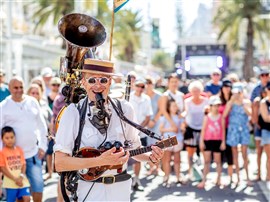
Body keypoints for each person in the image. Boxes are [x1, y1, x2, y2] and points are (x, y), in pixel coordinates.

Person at [54, 58, 164, 201]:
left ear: (110, 82)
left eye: (103, 80)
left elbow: (135, 149)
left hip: (121, 190)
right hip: (89, 191)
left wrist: (151, 156)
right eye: (92, 80)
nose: (97, 85)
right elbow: (60, 163)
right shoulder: (73, 113)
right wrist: (99, 161)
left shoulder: (125, 109)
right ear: (83, 82)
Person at [0, 76, 48, 202]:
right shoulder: (3, 106)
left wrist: (43, 146)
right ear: (9, 88)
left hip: (33, 155)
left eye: (21, 87)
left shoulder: (32, 102)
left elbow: (42, 126)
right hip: (13, 159)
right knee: (19, 194)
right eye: (15, 87)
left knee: (38, 188)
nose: (19, 90)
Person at [223, 82, 252, 186]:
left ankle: (247, 177)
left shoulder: (246, 102)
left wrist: (242, 103)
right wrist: (231, 101)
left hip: (243, 129)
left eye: (239, 92)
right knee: (234, 154)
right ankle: (238, 178)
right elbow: (224, 115)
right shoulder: (230, 103)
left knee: (244, 154)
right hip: (233, 130)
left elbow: (250, 114)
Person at [129, 79, 153, 191]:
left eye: (142, 86)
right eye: (138, 86)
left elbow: (148, 116)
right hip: (128, 133)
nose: (140, 88)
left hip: (141, 133)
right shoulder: (128, 97)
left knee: (139, 158)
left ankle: (136, 180)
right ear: (134, 86)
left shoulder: (147, 99)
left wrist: (139, 129)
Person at [182, 80, 209, 180]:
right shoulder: (187, 102)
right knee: (190, 152)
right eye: (193, 90)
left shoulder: (206, 101)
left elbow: (208, 113)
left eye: (197, 90)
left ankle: (203, 172)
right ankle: (190, 171)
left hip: (203, 129)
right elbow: (185, 112)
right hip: (191, 128)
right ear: (190, 91)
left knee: (203, 151)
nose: (195, 92)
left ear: (201, 91)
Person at [197, 96, 225, 189]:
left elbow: (223, 130)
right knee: (206, 161)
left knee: (218, 161)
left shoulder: (221, 117)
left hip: (217, 141)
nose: (216, 107)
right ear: (210, 106)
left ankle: (219, 179)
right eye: (214, 105)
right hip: (208, 141)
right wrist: (201, 141)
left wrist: (223, 142)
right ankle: (204, 180)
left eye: (218, 105)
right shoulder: (207, 117)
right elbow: (203, 130)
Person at [0, 126, 31, 202]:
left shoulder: (19, 150)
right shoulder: (2, 152)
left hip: (22, 180)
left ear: (15, 137)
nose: (10, 140)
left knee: (27, 198)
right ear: (2, 139)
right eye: (7, 138)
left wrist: (21, 176)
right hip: (10, 183)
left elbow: (23, 164)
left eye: (12, 137)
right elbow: (2, 168)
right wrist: (15, 179)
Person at [159, 99, 184, 187]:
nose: (175, 107)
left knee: (177, 159)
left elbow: (182, 128)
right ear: (169, 107)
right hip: (167, 139)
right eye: (173, 106)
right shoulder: (165, 117)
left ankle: (178, 177)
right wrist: (171, 129)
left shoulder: (179, 117)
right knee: (167, 159)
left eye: (175, 105)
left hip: (178, 139)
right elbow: (161, 129)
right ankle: (166, 176)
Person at [218, 79, 234, 184]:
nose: (227, 89)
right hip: (219, 129)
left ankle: (230, 177)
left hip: (231, 129)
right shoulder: (218, 100)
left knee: (230, 153)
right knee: (219, 153)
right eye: (225, 86)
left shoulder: (234, 99)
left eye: (228, 86)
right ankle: (219, 177)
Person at [260, 81, 270, 190]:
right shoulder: (264, 102)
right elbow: (266, 118)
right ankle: (268, 176)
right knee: (269, 157)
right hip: (267, 131)